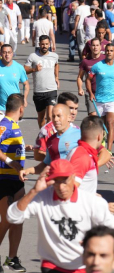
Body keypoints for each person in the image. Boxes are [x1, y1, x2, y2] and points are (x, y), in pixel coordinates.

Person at [7, 159, 114, 273]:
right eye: (56, 181)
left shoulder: (91, 201)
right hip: (52, 265)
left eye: (65, 180)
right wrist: (33, 191)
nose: (61, 187)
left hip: (83, 265)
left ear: (73, 177)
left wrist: (109, 249)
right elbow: (13, 216)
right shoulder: (42, 198)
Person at [67, 115, 114, 213]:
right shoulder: (82, 157)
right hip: (77, 215)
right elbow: (69, 190)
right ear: (99, 136)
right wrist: (98, 203)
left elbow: (105, 154)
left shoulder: (85, 152)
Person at [0, 94, 26, 272]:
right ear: (21, 108)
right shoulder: (5, 124)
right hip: (5, 180)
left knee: (17, 221)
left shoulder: (14, 125)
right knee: (8, 220)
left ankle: (12, 258)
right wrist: (10, 163)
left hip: (17, 181)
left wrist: (27, 148)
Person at [20, 104, 81, 180]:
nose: (55, 119)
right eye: (53, 116)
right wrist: (28, 170)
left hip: (77, 185)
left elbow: (98, 153)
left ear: (69, 117)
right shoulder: (51, 140)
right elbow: (46, 164)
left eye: (59, 116)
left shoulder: (80, 135)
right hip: (57, 185)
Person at [87, 43, 114, 152]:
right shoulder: (98, 66)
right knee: (100, 126)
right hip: (99, 100)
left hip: (112, 101)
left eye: (111, 51)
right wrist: (90, 92)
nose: (109, 52)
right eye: (107, 50)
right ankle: (99, 146)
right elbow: (88, 79)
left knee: (110, 124)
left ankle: (108, 150)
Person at [33, 92, 80, 162]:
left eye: (76, 109)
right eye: (71, 108)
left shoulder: (77, 129)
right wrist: (57, 160)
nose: (74, 112)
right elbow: (37, 155)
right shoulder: (47, 131)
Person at [24, 35, 59, 128]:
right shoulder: (33, 56)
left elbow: (56, 65)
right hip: (39, 91)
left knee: (50, 117)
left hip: (51, 90)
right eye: (43, 44)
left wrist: (57, 77)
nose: (45, 46)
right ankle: (42, 134)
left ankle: (49, 138)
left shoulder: (54, 56)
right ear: (39, 44)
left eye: (47, 44)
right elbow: (25, 70)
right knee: (41, 118)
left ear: (49, 44)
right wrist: (34, 69)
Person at [0, 44, 30, 119]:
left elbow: (26, 84)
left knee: (12, 129)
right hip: (1, 107)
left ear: (12, 53)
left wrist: (24, 99)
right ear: (0, 53)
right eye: (4, 52)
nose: (7, 55)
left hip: (14, 107)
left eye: (9, 52)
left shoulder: (19, 67)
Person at [78, 38, 105, 115]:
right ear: (90, 47)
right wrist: (80, 88)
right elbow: (80, 77)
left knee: (104, 121)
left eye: (97, 45)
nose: (95, 47)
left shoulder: (106, 59)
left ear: (100, 47)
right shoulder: (85, 61)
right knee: (93, 118)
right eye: (93, 45)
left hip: (104, 94)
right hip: (90, 93)